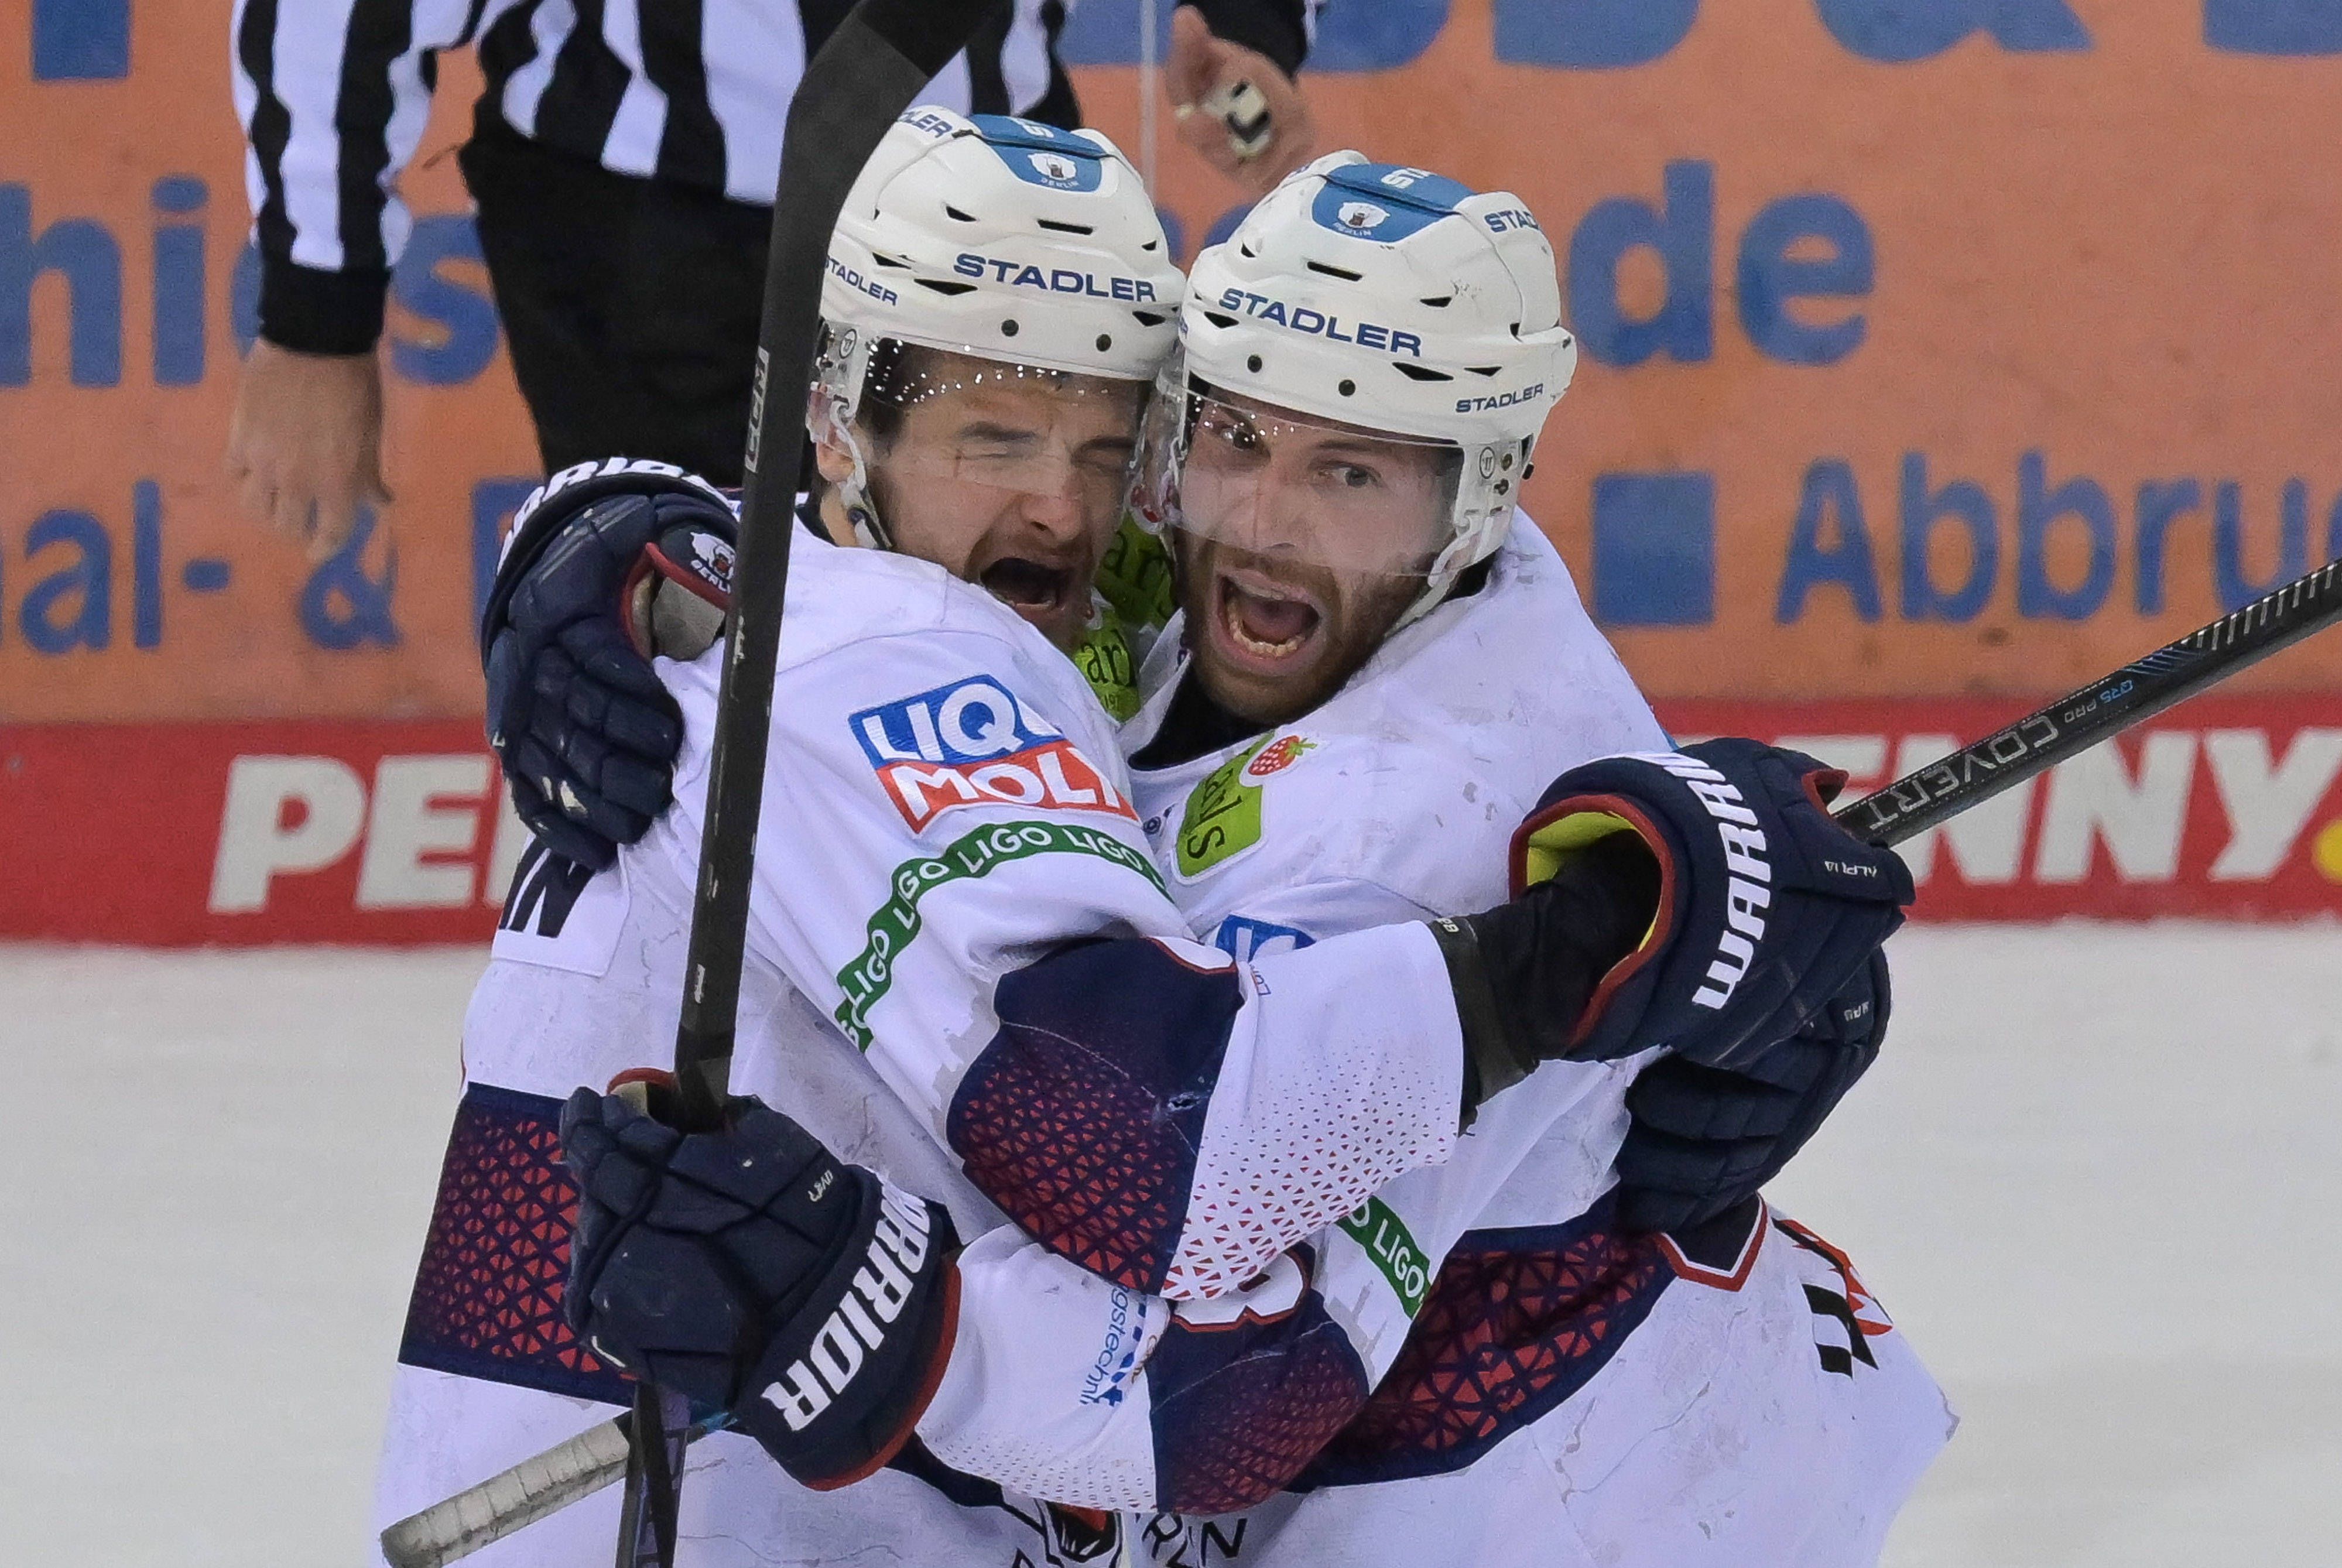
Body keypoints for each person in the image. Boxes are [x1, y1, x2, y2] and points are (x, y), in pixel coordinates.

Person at [461, 126, 1940, 1563]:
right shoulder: (1175, 571)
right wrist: (611, 521)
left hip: (1577, 1481)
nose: (1266, 530)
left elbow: (1228, 1356)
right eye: (1233, 436)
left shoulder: (1420, 823)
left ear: (1477, 495)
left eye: (1352, 475)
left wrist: (867, 1318)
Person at [225, 0, 1324, 561]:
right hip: (649, 229)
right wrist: (316, 316)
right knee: (693, 670)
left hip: (992, 190)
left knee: (1014, 622)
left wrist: (1251, 19)